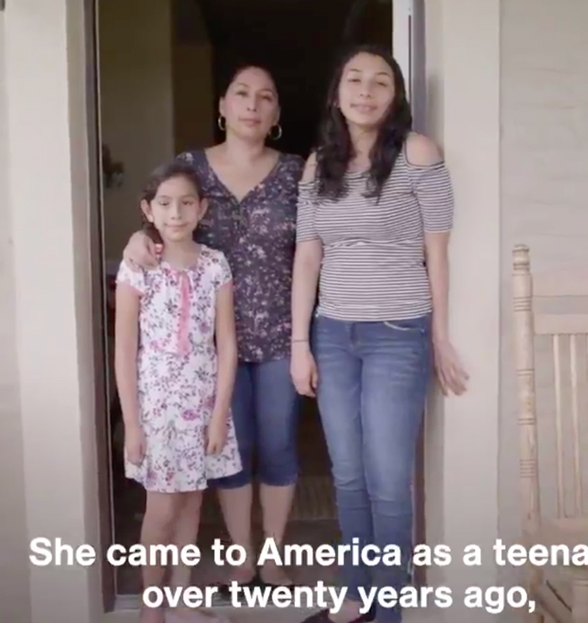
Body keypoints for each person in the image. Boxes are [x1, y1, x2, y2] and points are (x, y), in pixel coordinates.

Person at [290, 45, 469, 623]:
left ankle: (388, 611)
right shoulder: (318, 165)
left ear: (395, 97)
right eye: (355, 80)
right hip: (333, 334)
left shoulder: (419, 154)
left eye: (381, 82)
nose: (366, 92)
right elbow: (308, 257)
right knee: (347, 473)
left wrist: (440, 336)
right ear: (337, 92)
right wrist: (300, 344)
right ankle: (355, 594)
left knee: (389, 480)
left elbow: (437, 254)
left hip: (398, 333)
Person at [122, 63, 306, 591]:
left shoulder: (297, 171)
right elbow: (163, 212)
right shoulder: (192, 167)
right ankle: (241, 556)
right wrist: (138, 239)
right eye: (242, 94)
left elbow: (316, 245)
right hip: (200, 350)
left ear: (275, 113)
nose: (253, 104)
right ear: (222, 105)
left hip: (277, 333)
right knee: (228, 446)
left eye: (266, 97)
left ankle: (271, 554)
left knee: (277, 446)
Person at [114, 162, 241, 623]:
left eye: (187, 203)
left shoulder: (214, 266)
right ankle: (153, 604)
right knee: (161, 505)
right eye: (165, 203)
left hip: (203, 403)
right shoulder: (137, 268)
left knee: (191, 500)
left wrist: (218, 412)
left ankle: (183, 593)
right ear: (148, 209)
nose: (176, 213)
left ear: (202, 209)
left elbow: (226, 344)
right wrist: (132, 425)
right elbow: (125, 352)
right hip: (156, 408)